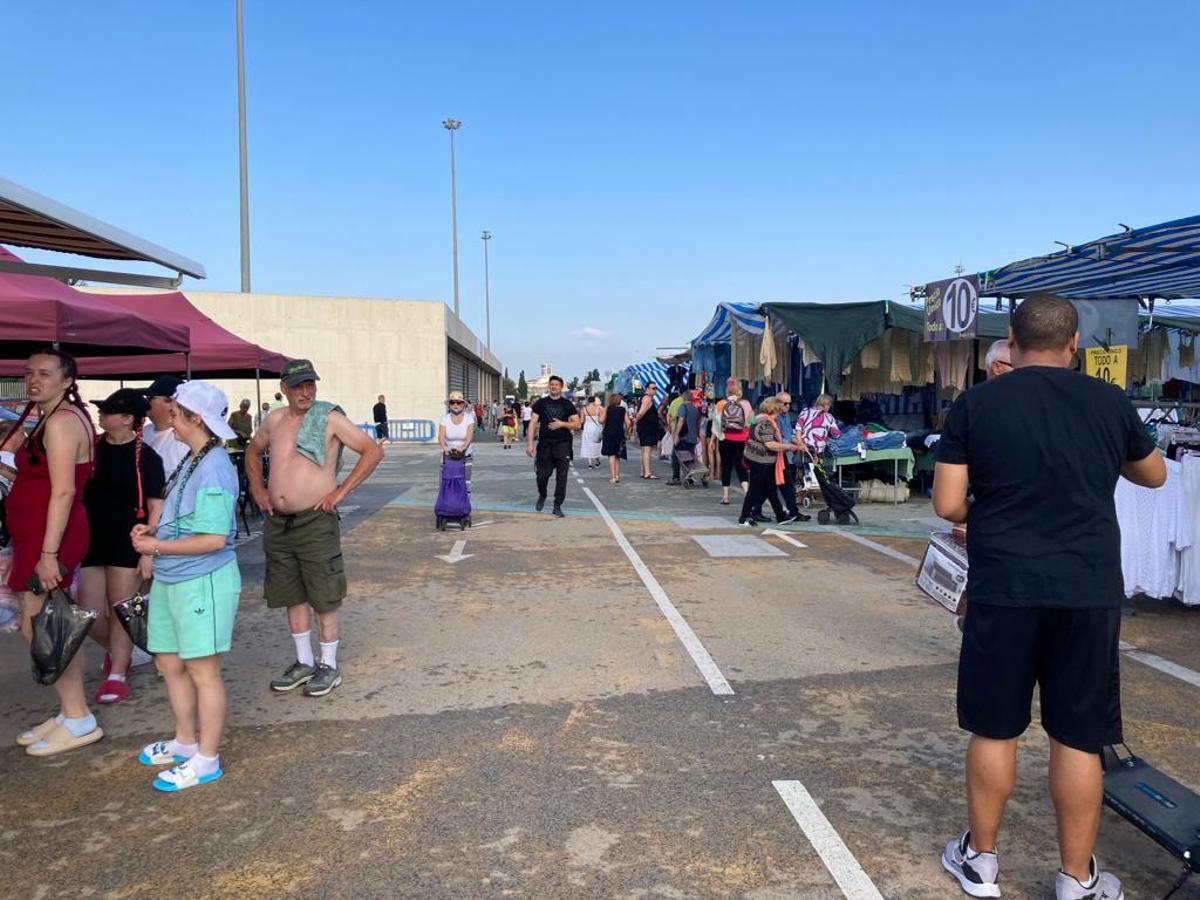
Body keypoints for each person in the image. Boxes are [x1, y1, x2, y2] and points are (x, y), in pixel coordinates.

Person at [933, 296, 1166, 900]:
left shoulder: (976, 404)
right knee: (1078, 736)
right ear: (1074, 346)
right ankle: (1076, 877)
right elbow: (1155, 474)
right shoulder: (1109, 402)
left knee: (994, 729)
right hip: (1085, 589)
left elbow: (948, 504)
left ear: (1010, 340)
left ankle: (981, 862)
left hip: (1005, 586)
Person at [246, 359, 384, 697]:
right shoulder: (275, 420)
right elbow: (252, 452)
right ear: (284, 389)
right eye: (298, 386)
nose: (306, 391)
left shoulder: (329, 418)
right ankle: (304, 661)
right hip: (279, 523)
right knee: (291, 593)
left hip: (314, 520)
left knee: (323, 594)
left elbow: (371, 451)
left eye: (310, 384)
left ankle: (328, 665)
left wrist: (340, 491)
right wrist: (258, 489)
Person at [130, 380, 241, 791]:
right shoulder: (194, 458)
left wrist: (155, 544)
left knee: (202, 671)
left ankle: (206, 758)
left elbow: (214, 538)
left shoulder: (212, 466)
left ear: (197, 419)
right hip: (174, 575)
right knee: (169, 663)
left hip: (201, 580)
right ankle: (184, 741)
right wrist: (154, 537)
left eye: (175, 413)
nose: (168, 419)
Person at [5, 349, 102, 757]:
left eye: (45, 374)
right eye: (29, 373)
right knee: (52, 624)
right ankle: (69, 711)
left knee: (42, 628)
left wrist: (48, 554)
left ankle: (78, 716)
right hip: (39, 537)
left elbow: (62, 490)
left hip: (51, 539)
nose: (34, 380)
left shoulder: (61, 423)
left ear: (67, 380)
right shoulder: (49, 417)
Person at [79, 389, 165, 705]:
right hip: (91, 539)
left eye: (108, 412)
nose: (101, 416)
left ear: (128, 419)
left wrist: (147, 550)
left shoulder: (148, 458)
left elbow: (156, 506)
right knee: (85, 612)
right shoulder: (90, 450)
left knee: (121, 608)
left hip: (128, 539)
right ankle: (122, 652)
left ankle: (117, 672)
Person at [738, 396, 800, 527]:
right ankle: (744, 517)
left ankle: (780, 515)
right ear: (774, 410)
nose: (780, 413)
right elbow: (770, 444)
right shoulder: (766, 423)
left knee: (770, 488)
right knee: (755, 489)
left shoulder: (761, 419)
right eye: (779, 410)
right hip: (759, 460)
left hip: (760, 460)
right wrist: (789, 447)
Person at [526, 375, 580, 517]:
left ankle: (557, 505)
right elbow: (532, 424)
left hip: (563, 444)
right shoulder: (540, 403)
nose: (554, 386)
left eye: (556, 384)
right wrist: (530, 444)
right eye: (552, 384)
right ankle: (542, 494)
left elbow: (577, 424)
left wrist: (562, 424)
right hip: (545, 445)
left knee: (562, 477)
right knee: (542, 476)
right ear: (549, 386)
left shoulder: (568, 405)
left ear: (561, 387)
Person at [141, 375, 189, 477]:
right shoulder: (144, 431)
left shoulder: (185, 439)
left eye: (150, 398)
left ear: (171, 402)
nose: (145, 402)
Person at [715, 382, 753, 505]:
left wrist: (715, 439)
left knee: (726, 467)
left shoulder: (721, 404)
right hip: (741, 439)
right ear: (740, 391)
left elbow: (716, 425)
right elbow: (751, 422)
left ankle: (725, 496)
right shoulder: (746, 404)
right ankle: (747, 492)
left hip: (725, 438)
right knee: (741, 465)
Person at [438, 390, 475, 490]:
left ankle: (464, 504)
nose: (455, 405)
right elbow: (441, 437)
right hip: (448, 454)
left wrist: (463, 447)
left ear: (463, 404)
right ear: (449, 404)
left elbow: (469, 436)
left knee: (465, 482)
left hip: (465, 454)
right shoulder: (445, 419)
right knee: (445, 482)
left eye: (458, 402)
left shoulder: (469, 418)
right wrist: (445, 448)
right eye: (452, 402)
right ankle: (446, 504)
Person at [633, 383, 664, 479]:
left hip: (644, 426)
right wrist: (636, 421)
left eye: (656, 388)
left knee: (644, 450)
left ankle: (643, 471)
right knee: (647, 449)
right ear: (647, 389)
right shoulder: (647, 398)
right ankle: (647, 472)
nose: (655, 390)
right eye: (653, 388)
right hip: (647, 427)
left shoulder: (643, 398)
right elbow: (641, 413)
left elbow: (637, 412)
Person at [600, 392, 628, 484]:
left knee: (611, 455)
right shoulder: (623, 410)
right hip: (619, 434)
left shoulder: (607, 409)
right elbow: (628, 423)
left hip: (609, 433)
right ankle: (617, 475)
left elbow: (601, 420)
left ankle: (612, 476)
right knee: (617, 455)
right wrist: (627, 431)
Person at [579, 395, 604, 469]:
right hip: (597, 427)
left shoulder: (584, 409)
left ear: (588, 401)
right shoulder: (599, 408)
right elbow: (601, 420)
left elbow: (582, 421)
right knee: (597, 444)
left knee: (588, 444)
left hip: (587, 427)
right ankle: (597, 462)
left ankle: (590, 464)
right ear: (594, 401)